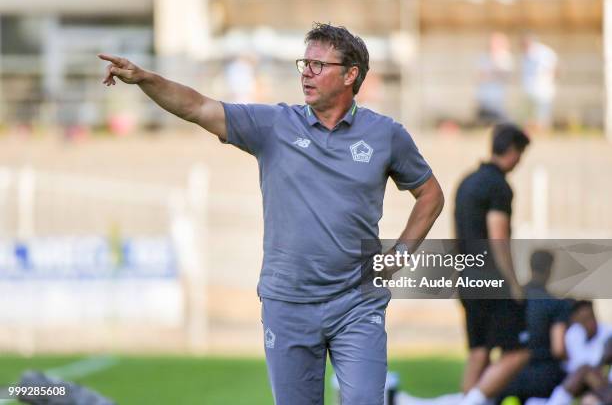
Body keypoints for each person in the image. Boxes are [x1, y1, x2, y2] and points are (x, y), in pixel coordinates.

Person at [98, 23, 444, 405]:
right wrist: (145, 78)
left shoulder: (386, 135)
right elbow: (198, 106)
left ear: (350, 75)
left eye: (318, 65)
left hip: (357, 304)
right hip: (288, 303)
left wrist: (398, 256)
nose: (306, 73)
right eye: (304, 63)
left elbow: (429, 194)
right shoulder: (274, 125)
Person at [454, 123, 531, 405]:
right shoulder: (498, 186)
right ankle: (470, 402)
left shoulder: (467, 182)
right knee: (518, 351)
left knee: (479, 351)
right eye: (521, 154)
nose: (520, 161)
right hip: (491, 279)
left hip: (467, 276)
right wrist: (513, 284)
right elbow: (498, 237)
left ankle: (469, 399)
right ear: (512, 151)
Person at [494, 250, 572, 403]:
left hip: (509, 374)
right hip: (544, 376)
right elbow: (559, 349)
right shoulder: (556, 304)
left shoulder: (511, 299)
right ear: (550, 269)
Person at [521, 35, 558, 132]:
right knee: (529, 117)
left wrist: (545, 80)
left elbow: (554, 70)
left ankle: (542, 133)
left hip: (543, 91)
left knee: (542, 118)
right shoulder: (526, 54)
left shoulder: (544, 53)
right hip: (530, 91)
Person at [476, 32, 514, 125]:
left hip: (499, 95)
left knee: (499, 118)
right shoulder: (484, 57)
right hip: (485, 93)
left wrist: (491, 74)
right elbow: (480, 75)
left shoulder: (505, 57)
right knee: (485, 117)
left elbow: (504, 74)